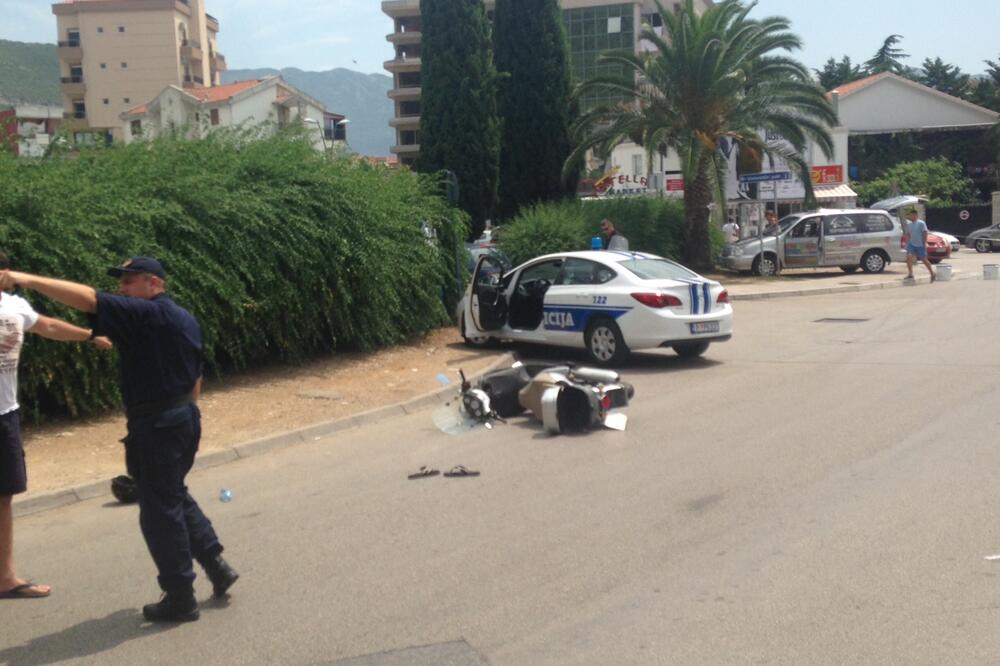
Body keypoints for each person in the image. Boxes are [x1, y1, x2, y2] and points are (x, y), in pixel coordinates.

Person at [0, 257, 238, 622]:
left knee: (159, 513)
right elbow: (196, 375)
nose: (122, 288)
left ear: (154, 284)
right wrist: (184, 417)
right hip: (182, 417)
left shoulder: (148, 315)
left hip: (157, 423)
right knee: (171, 493)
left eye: (129, 282)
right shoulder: (182, 318)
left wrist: (26, 279)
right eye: (121, 282)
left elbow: (88, 300)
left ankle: (179, 595)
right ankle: (216, 563)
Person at [1, 250, 112, 601]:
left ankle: (5, 577)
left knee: (3, 497)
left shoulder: (14, 305)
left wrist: (89, 335)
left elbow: (46, 325)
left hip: (5, 413)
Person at [902, 209, 936, 282]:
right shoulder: (909, 225)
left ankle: (932, 273)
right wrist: (907, 244)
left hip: (920, 244)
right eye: (911, 215)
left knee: (924, 259)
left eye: (914, 215)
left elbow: (925, 233)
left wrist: (924, 243)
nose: (912, 216)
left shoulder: (921, 223)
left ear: (916, 215)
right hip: (912, 244)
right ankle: (910, 273)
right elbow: (908, 234)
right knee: (909, 257)